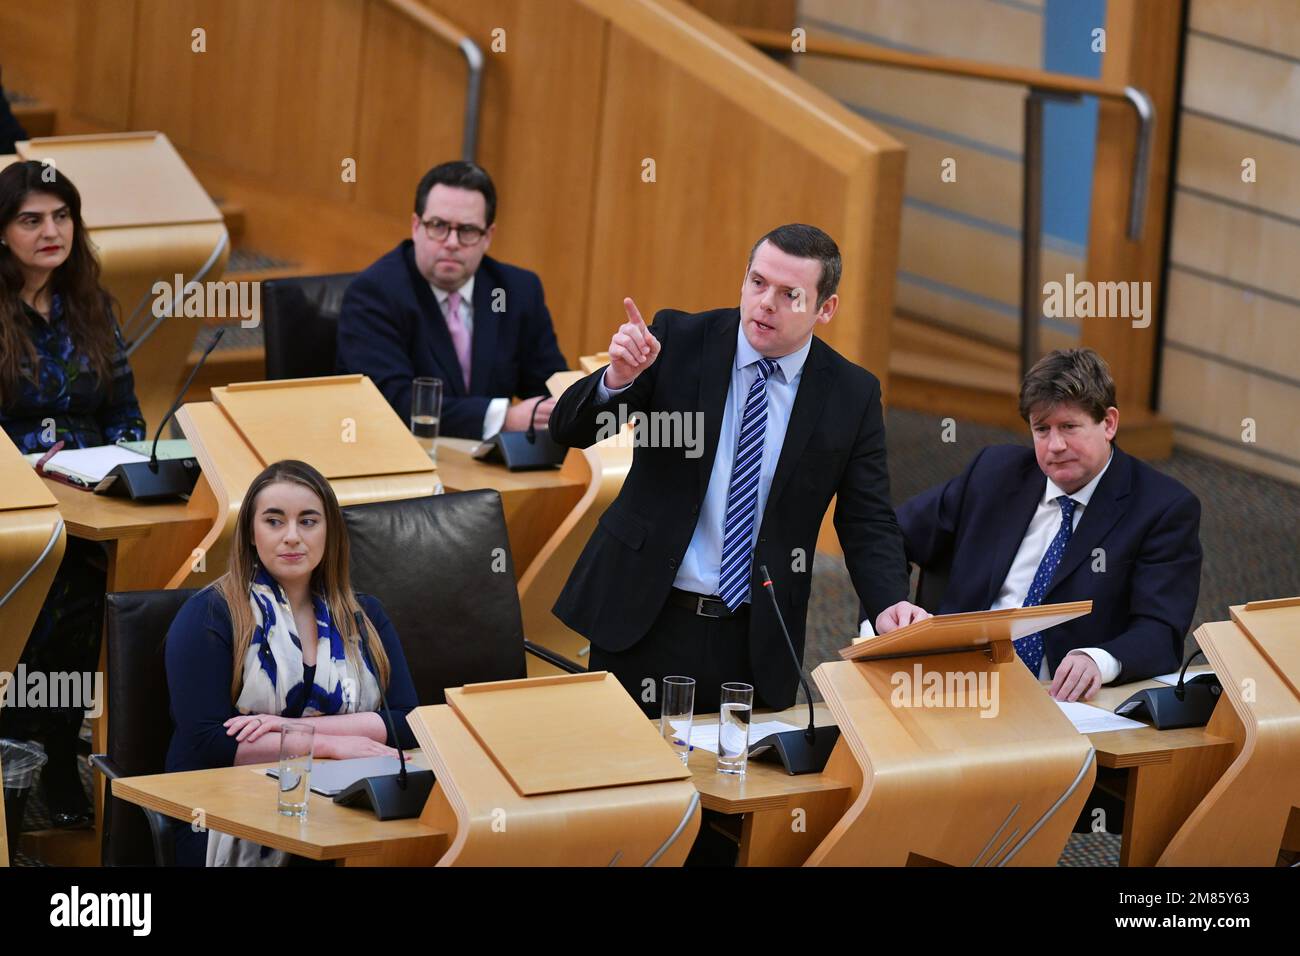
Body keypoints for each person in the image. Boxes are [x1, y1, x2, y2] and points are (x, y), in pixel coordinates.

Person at [548, 224, 928, 716]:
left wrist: (888, 604)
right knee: (623, 777)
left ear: (825, 309)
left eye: (790, 294)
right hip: (646, 616)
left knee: (736, 782)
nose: (766, 302)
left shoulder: (851, 395)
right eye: (757, 282)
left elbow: (866, 518)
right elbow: (570, 429)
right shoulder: (679, 341)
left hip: (754, 635)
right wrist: (617, 379)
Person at [894, 347, 1202, 701]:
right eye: (1042, 430)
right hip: (952, 684)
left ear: (1109, 423)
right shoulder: (994, 472)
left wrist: (1099, 660)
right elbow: (891, 533)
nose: (1055, 445)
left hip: (1062, 702)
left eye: (1069, 427)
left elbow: (1161, 632)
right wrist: (887, 613)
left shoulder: (1162, 508)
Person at [164, 459, 418, 866]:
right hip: (227, 811)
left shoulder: (363, 615)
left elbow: (405, 723)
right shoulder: (211, 615)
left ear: (330, 531)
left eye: (309, 521)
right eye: (274, 521)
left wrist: (289, 729)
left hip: (346, 801)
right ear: (250, 532)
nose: (293, 537)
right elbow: (206, 743)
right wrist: (332, 746)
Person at [0, 159, 146, 827]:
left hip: (90, 493)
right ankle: (22, 744)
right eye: (31, 219)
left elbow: (124, 408)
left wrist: (123, 457)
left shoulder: (88, 303)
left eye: (61, 217)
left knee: (108, 582)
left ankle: (61, 752)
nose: (50, 231)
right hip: (13, 497)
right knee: (59, 580)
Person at [337, 160, 568, 440]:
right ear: (415, 226)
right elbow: (393, 403)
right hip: (406, 459)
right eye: (438, 226)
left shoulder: (516, 291)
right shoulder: (374, 294)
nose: (451, 242)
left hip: (493, 468)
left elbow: (552, 387)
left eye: (467, 231)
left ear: (488, 237)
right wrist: (502, 418)